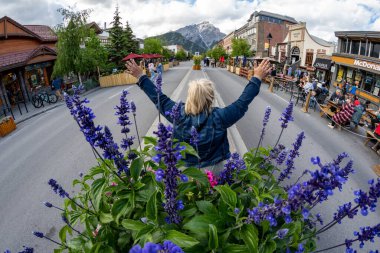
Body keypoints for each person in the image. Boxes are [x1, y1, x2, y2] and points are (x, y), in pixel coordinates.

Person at [125, 59, 272, 174]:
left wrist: (140, 76)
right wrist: (257, 77)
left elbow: (159, 98)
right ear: (210, 98)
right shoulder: (220, 117)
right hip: (216, 170)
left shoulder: (178, 114)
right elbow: (242, 103)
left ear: (190, 96)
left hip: (184, 169)